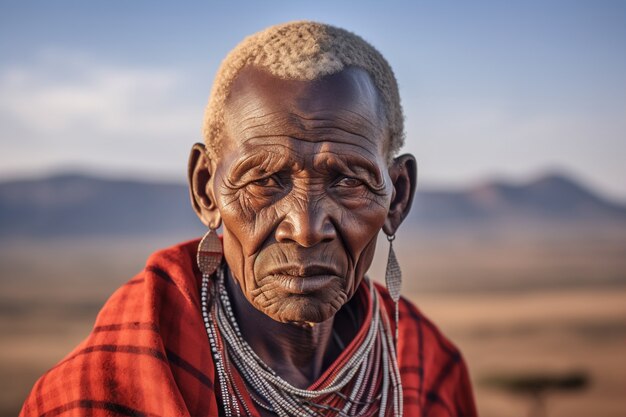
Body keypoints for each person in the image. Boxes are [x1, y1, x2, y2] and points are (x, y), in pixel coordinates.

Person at [20, 21, 477, 417]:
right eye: (264, 180)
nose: (305, 227)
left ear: (397, 198)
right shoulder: (97, 391)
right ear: (206, 189)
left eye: (348, 182)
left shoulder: (426, 366)